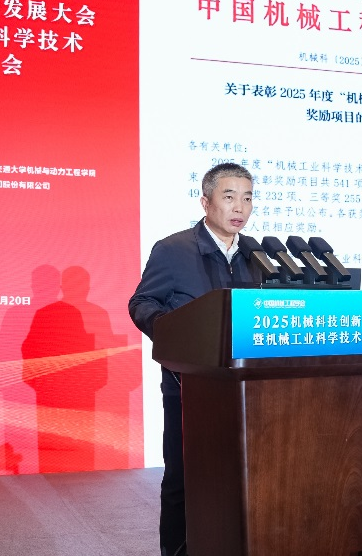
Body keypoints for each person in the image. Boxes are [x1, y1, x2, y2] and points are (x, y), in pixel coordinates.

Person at [129, 162, 258, 556]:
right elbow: (142, 302)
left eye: (247, 198)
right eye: (229, 196)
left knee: (242, 479)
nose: (239, 207)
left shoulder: (258, 254)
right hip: (188, 385)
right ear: (205, 202)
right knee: (184, 479)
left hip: (251, 389)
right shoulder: (174, 250)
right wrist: (176, 335)